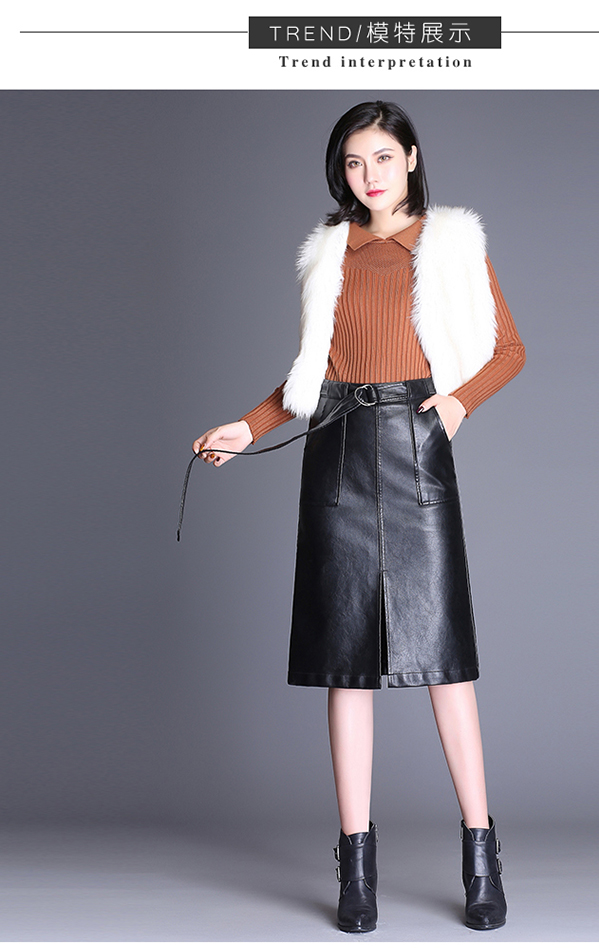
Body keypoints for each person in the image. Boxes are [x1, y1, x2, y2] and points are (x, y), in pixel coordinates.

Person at [191, 100, 525, 933]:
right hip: (337, 448)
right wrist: (247, 427)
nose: (367, 175)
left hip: (416, 444)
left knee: (445, 661)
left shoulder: (451, 242)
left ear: (410, 158)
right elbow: (313, 373)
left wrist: (455, 405)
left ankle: (481, 856)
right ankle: (356, 866)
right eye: (352, 162)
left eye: (381, 157)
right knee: (346, 664)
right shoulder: (329, 251)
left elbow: (509, 349)